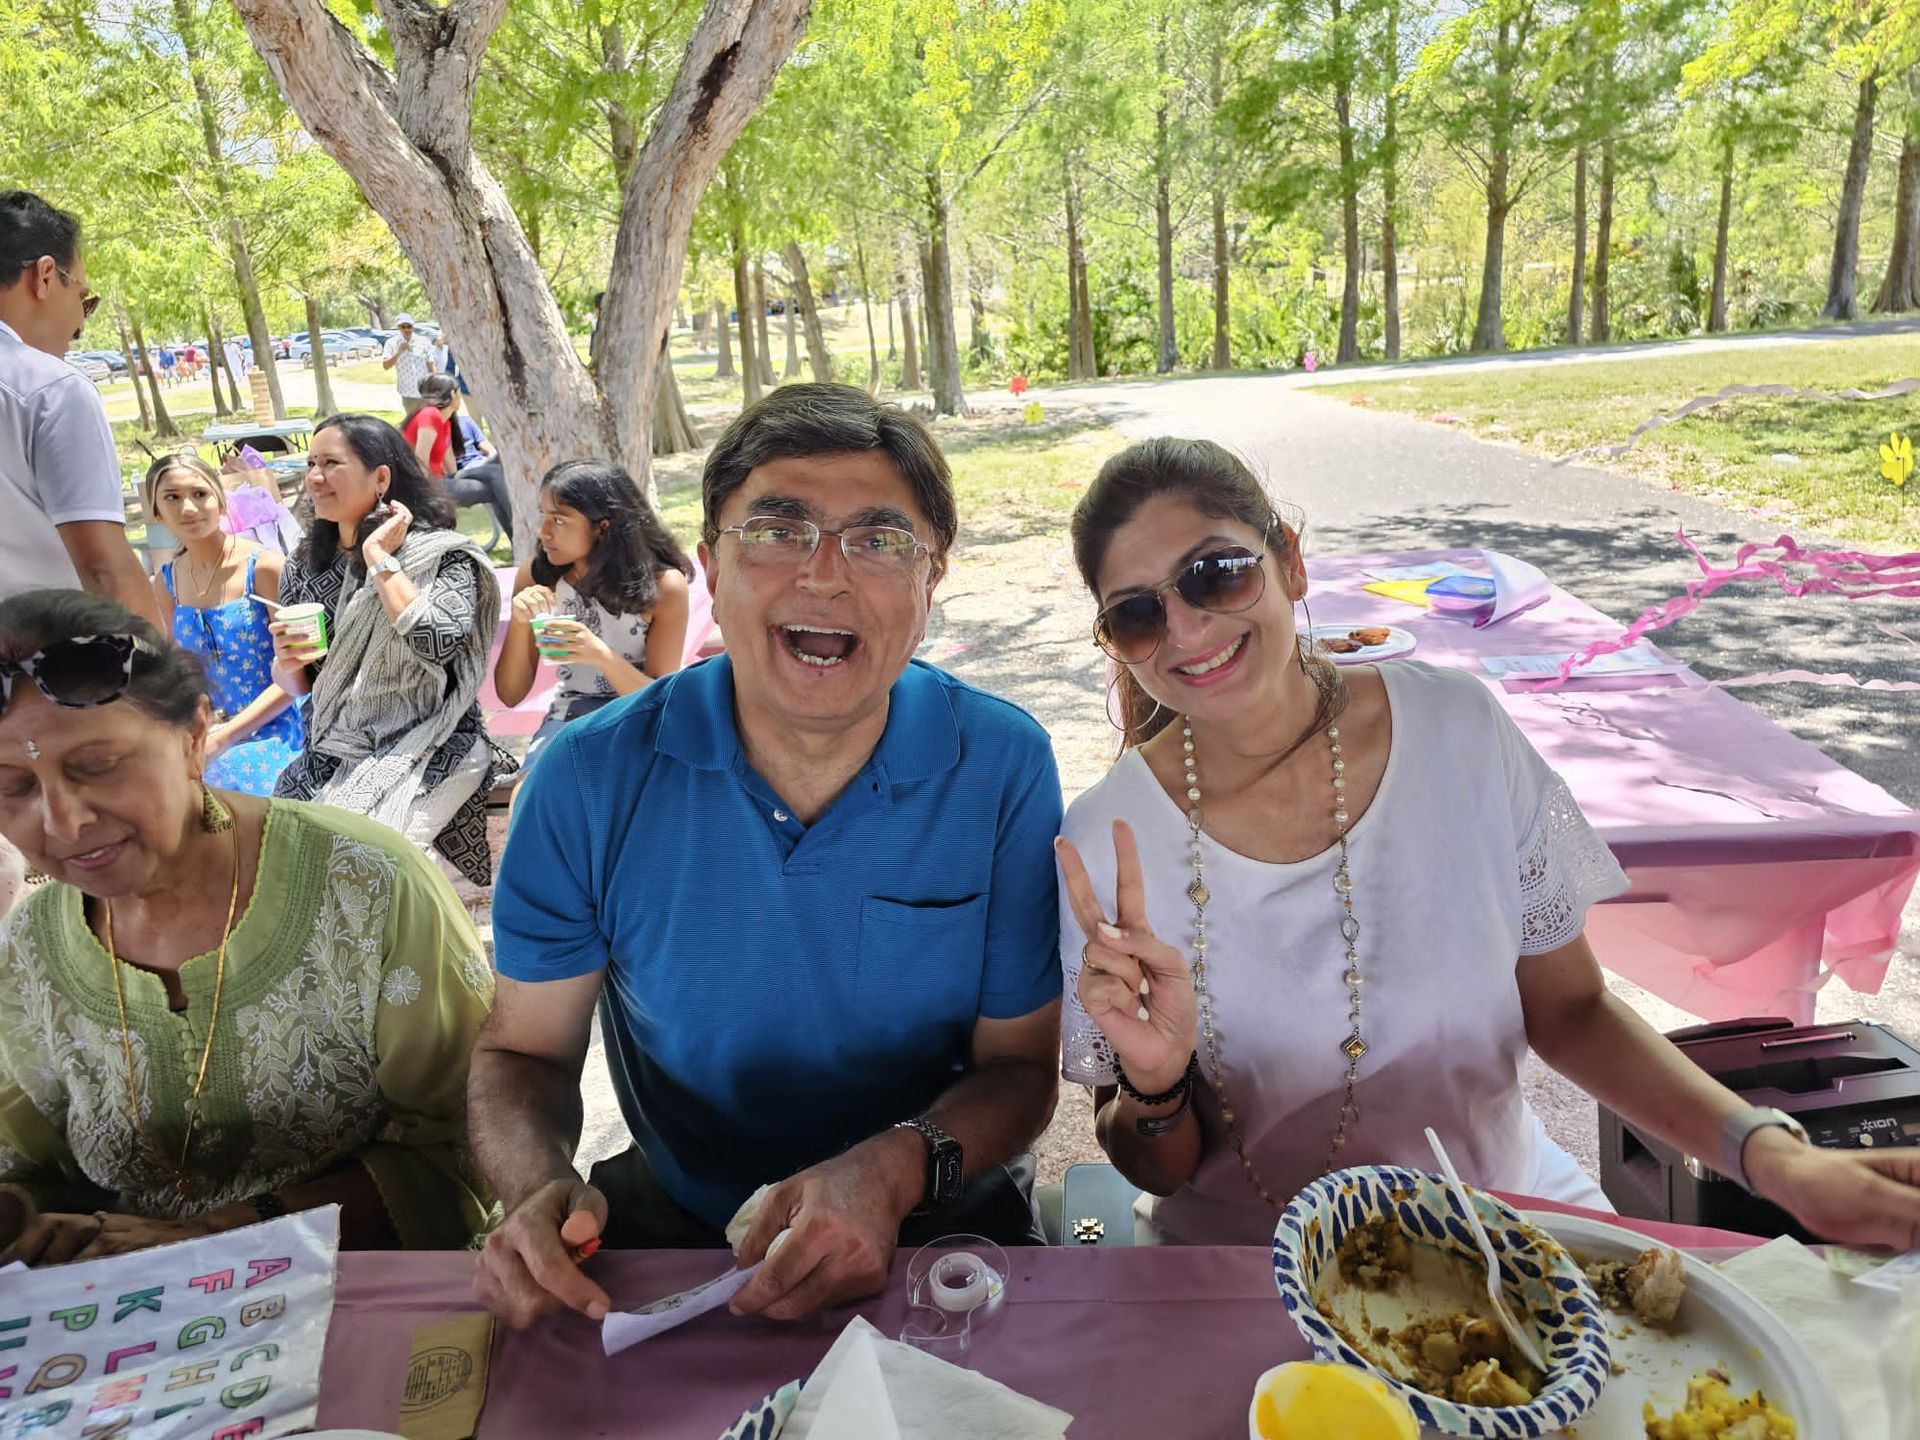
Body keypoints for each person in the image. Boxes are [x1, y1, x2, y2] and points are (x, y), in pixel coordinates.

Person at [1055, 437, 1920, 1251]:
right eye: (1136, 616)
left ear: (1288, 559)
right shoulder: (1106, 844)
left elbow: (1572, 1012)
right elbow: (1150, 1161)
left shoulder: (1458, 730)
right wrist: (1159, 1086)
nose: (1187, 631)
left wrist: (1777, 1158)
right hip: (1247, 1267)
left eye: (1215, 574)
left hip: (1500, 1227)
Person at [471, 383, 1063, 1330]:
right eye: (779, 532)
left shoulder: (999, 764)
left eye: (878, 541)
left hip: (939, 1214)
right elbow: (524, 1052)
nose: (824, 578)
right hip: (683, 1215)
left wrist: (895, 1167)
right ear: (710, 566)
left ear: (930, 581)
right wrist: (534, 1184)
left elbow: (1023, 1069)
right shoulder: (584, 780)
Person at [0, 589, 495, 1262]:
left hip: (365, 1290)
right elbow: (24, 1165)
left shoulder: (366, 886)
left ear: (193, 734)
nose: (64, 822)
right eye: (12, 787)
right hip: (124, 1320)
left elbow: (470, 1145)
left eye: (97, 767)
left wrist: (220, 1237)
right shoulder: (28, 949)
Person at [270, 413, 500, 886]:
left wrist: (378, 559)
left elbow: (436, 642)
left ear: (381, 478)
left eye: (332, 463)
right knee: (283, 845)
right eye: (311, 462)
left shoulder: (442, 556)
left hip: (432, 739)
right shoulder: (305, 566)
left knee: (376, 853)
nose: (314, 477)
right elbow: (309, 685)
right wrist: (287, 663)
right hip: (337, 745)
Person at [0, 190, 156, 625]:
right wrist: (175, 689)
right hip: (44, 675)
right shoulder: (50, 389)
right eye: (84, 298)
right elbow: (107, 573)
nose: (81, 324)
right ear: (45, 276)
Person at [494, 459, 691, 771]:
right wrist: (520, 624)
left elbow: (659, 703)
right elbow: (509, 694)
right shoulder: (537, 577)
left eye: (558, 520)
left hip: (639, 719)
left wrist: (600, 655)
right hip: (571, 715)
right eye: (543, 515)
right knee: (530, 798)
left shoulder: (663, 587)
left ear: (603, 527)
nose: (542, 532)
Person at [145, 452, 302, 795]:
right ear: (156, 512)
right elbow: (180, 674)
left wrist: (224, 738)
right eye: (172, 497)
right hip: (206, 729)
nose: (188, 508)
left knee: (238, 785)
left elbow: (298, 674)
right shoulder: (167, 582)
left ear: (220, 498)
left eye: (200, 494)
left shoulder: (263, 567)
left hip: (275, 724)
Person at [406, 373, 514, 541]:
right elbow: (420, 462)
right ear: (452, 394)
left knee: (494, 478)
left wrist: (457, 481)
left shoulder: (447, 422)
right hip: (425, 488)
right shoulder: (430, 415)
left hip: (443, 480)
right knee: (494, 477)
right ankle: (521, 540)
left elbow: (452, 469)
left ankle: (518, 541)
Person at [382, 314, 433, 417]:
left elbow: (431, 365)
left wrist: (437, 385)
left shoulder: (424, 341)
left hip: (425, 390)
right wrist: (399, 352)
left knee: (428, 421)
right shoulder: (391, 343)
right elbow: (386, 365)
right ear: (398, 327)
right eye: (403, 326)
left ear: (413, 327)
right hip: (407, 392)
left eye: (409, 326)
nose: (406, 329)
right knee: (412, 422)